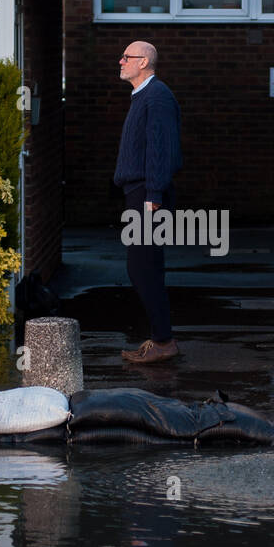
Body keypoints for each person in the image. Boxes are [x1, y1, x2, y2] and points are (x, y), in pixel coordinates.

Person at [114, 41, 182, 363]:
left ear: (143, 63)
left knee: (142, 268)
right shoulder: (143, 96)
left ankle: (163, 341)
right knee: (146, 266)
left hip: (147, 196)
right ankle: (161, 339)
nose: (121, 61)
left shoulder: (157, 96)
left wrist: (153, 196)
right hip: (139, 193)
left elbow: (160, 149)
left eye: (127, 57)